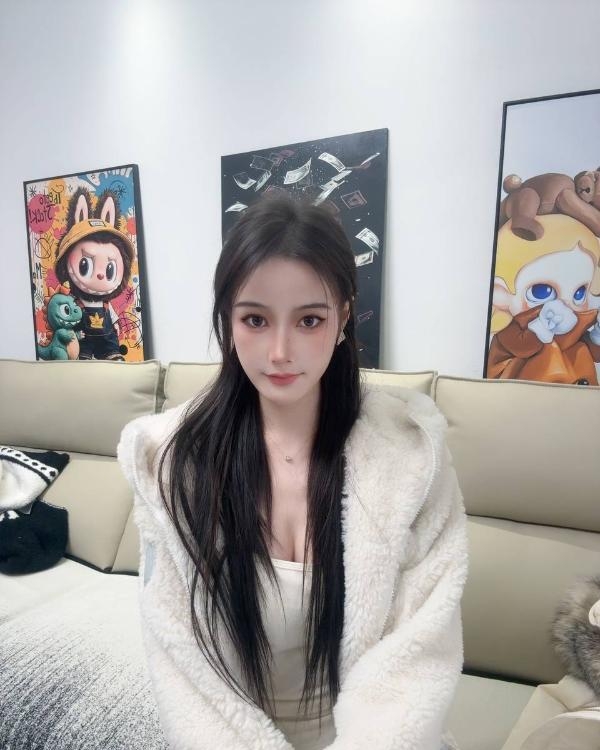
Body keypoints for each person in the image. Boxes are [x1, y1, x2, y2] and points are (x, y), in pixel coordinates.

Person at [117, 195, 469, 750]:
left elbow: (417, 656)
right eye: (255, 319)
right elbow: (182, 667)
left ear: (343, 317)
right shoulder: (172, 463)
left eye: (309, 320)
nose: (280, 351)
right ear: (228, 320)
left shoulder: (413, 460)